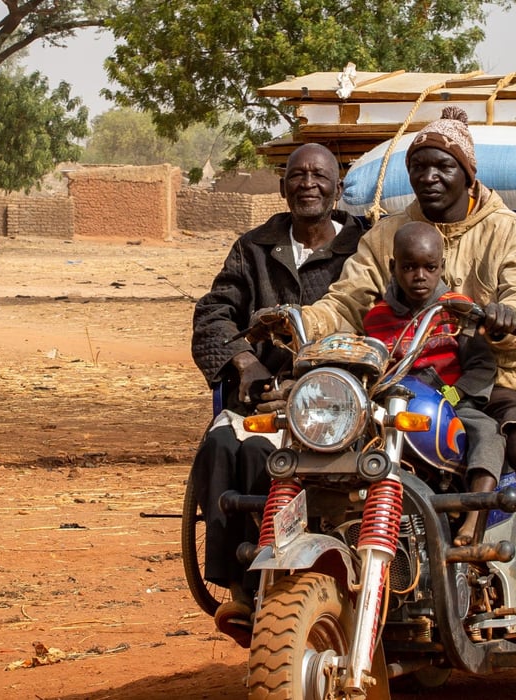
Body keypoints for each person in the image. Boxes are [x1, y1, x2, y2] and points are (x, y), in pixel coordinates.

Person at [295, 106, 516, 633]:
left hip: (492, 377)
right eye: (418, 166)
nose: (428, 176)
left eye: (442, 166)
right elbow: (347, 300)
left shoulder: (508, 230)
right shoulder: (388, 234)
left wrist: (509, 317)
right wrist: (302, 323)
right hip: (401, 380)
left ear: (468, 173)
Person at [189, 143, 368, 646]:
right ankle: (243, 591)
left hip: (340, 403)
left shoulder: (364, 245)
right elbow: (212, 314)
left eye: (320, 175)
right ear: (282, 185)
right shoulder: (254, 248)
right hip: (267, 401)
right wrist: (243, 363)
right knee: (227, 444)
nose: (307, 184)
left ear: (338, 187)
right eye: (297, 175)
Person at [362, 221, 506, 546]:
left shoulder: (458, 311)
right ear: (393, 266)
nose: (419, 276)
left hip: (449, 402)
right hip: (389, 403)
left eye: (429, 267)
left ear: (442, 266)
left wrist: (454, 395)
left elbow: (482, 365)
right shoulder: (376, 317)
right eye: (409, 267)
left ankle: (473, 515)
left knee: (489, 433)